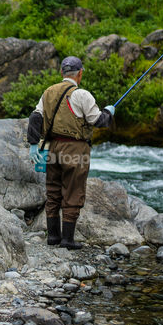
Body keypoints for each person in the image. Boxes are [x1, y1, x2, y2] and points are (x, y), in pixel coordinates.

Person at [26, 56, 115, 249]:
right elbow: (98, 121)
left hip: (53, 148)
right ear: (80, 73)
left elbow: (35, 117)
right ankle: (67, 240)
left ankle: (53, 237)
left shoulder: (48, 92)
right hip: (76, 149)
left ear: (61, 72)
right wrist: (109, 112)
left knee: (53, 191)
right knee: (73, 192)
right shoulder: (82, 95)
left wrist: (33, 144)